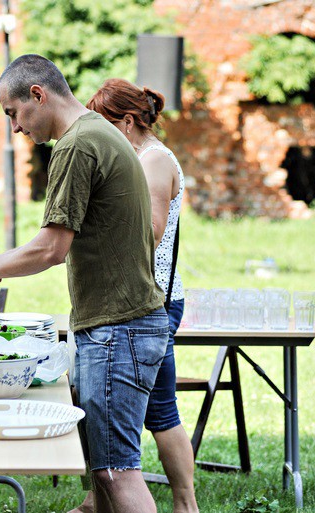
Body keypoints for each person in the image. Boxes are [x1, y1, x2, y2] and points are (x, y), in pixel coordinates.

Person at [0, 55, 169, 513]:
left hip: (118, 328)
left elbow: (51, 248)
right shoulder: (100, 132)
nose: (15, 128)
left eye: (13, 113)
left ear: (37, 95)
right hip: (127, 324)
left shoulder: (75, 144)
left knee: (116, 471)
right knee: (103, 474)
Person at [82, 78, 198, 512]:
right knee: (152, 408)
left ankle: (182, 504)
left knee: (156, 409)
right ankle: (108, 499)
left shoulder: (152, 161)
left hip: (153, 299)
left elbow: (149, 229)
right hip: (144, 298)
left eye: (107, 126)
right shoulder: (139, 157)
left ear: (127, 122)